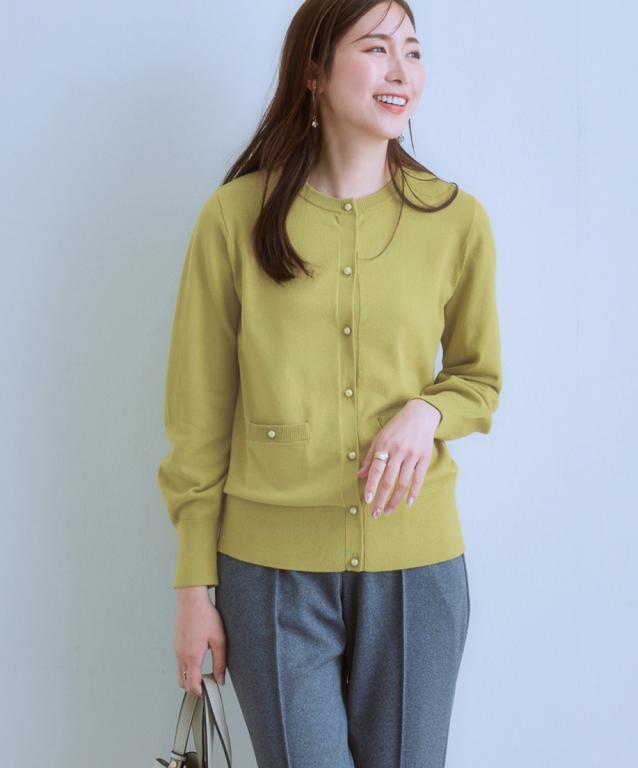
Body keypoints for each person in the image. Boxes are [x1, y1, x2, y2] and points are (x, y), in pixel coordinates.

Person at [157, 0, 502, 766]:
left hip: (418, 574)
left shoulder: (457, 221)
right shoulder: (234, 219)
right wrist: (192, 590)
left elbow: (478, 378)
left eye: (413, 51)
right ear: (313, 71)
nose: (401, 70)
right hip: (270, 579)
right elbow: (198, 418)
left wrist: (426, 411)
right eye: (376, 48)